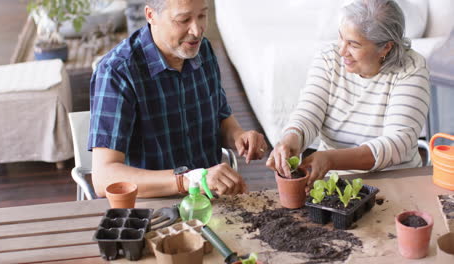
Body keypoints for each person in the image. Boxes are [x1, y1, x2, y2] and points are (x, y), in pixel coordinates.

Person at [88, 0, 267, 198]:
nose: (197, 31)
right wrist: (190, 180)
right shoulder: (117, 72)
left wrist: (238, 135)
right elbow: (103, 177)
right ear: (151, 15)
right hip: (152, 207)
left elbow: (220, 117)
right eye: (183, 20)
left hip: (209, 200)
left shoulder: (203, 51)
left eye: (202, 16)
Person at [266, 0, 430, 191]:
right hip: (333, 181)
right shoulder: (329, 58)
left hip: (395, 181)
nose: (342, 51)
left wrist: (331, 159)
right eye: (341, 38)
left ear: (386, 47)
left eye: (353, 44)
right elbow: (308, 112)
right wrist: (291, 138)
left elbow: (397, 144)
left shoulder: (411, 69)